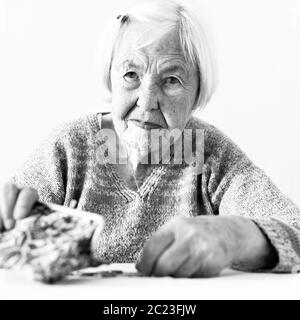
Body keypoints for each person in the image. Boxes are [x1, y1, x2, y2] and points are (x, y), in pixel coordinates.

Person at [0, 0, 300, 278]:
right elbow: (8, 227)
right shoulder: (67, 149)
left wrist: (236, 235)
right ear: (110, 78)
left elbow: (295, 230)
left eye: (171, 80)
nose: (146, 103)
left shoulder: (210, 155)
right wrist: (10, 225)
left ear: (197, 93)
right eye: (131, 74)